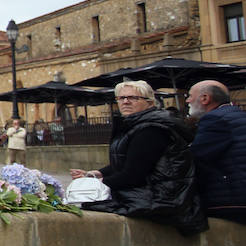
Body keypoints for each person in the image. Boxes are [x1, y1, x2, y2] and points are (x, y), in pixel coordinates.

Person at [73, 80, 206, 234]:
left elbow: (133, 175)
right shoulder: (139, 124)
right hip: (153, 194)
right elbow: (132, 160)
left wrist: (95, 184)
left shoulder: (151, 129)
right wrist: (98, 173)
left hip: (161, 198)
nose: (126, 102)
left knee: (84, 206)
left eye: (133, 98)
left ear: (149, 102)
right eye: (121, 98)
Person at [186, 80, 246, 223]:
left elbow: (195, 158)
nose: (187, 100)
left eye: (189, 96)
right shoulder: (236, 115)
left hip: (231, 200)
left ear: (205, 98)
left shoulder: (215, 119)